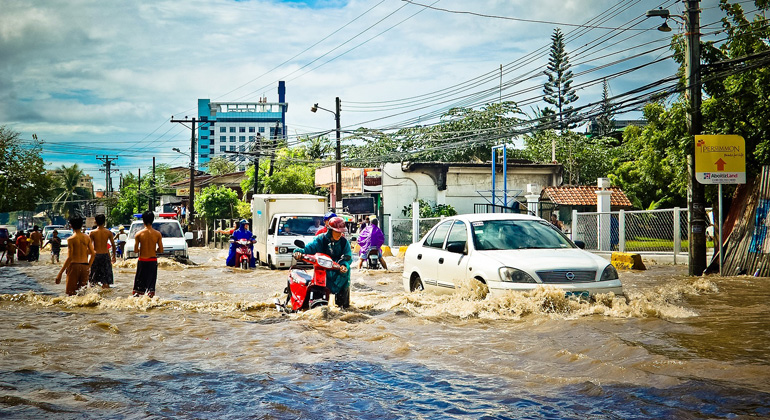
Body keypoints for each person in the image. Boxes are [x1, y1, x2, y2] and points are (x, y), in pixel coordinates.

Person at [293, 217, 352, 309]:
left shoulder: (344, 242)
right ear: (330, 230)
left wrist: (344, 265)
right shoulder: (320, 240)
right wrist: (298, 252)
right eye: (337, 232)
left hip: (339, 272)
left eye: (341, 232)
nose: (339, 234)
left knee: (344, 307)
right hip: (323, 271)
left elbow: (348, 256)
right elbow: (308, 249)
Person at [56, 217, 95, 296]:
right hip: (85, 266)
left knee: (71, 294)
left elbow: (70, 257)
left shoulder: (71, 239)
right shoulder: (87, 237)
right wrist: (88, 266)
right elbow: (93, 253)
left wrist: (60, 273)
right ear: (81, 225)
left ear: (71, 226)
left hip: (74, 266)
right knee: (82, 293)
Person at [132, 211, 164, 298]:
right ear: (153, 220)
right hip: (152, 261)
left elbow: (135, 250)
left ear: (143, 220)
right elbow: (161, 250)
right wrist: (153, 250)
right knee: (151, 287)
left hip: (142, 261)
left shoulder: (138, 234)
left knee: (138, 289)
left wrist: (142, 249)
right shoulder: (157, 234)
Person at [88, 214, 116, 289]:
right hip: (105, 256)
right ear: (104, 222)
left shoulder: (92, 233)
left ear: (95, 222)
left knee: (93, 281)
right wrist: (114, 257)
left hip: (96, 256)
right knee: (106, 281)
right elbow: (113, 245)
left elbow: (89, 247)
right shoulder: (108, 232)